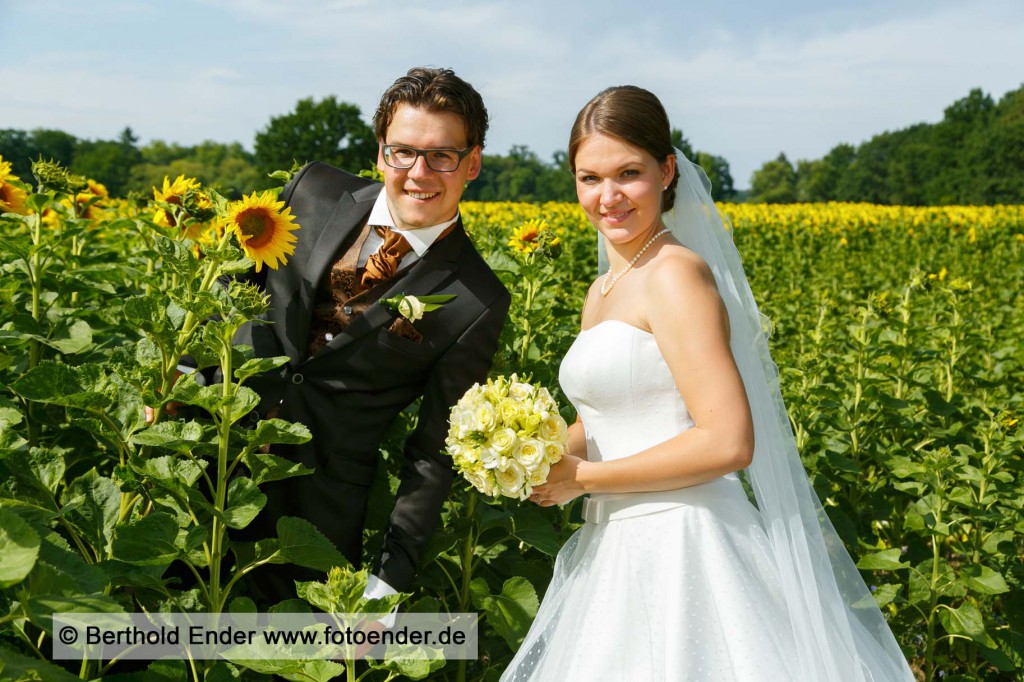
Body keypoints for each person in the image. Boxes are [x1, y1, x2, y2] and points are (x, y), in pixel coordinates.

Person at [501, 86, 913, 681]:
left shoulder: (675, 274)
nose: (607, 196)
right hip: (618, 544)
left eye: (629, 174)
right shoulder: (604, 290)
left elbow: (727, 442)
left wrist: (582, 479)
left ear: (667, 172)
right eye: (589, 177)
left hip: (685, 542)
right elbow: (608, 420)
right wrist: (528, 456)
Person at [237, 67, 510, 603]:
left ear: (471, 162)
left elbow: (434, 453)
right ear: (381, 151)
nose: (418, 172)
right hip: (211, 448)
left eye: (442, 155)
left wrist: (387, 585)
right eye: (402, 151)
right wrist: (177, 380)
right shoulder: (311, 191)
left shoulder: (477, 298)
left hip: (316, 509)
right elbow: (235, 281)